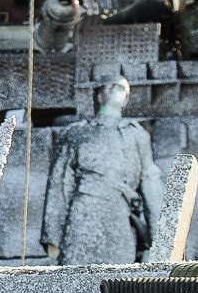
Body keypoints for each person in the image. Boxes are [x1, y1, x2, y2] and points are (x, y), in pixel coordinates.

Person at [42, 75, 163, 266]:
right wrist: (52, 236)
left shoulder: (137, 135)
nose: (115, 90)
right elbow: (59, 183)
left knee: (117, 281)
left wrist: (160, 237)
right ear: (98, 96)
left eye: (121, 88)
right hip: (83, 217)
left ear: (127, 98)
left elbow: (150, 183)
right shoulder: (76, 133)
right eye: (109, 87)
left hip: (118, 216)